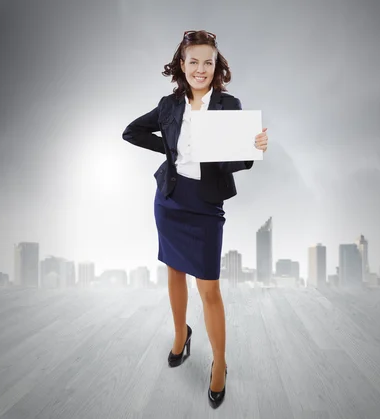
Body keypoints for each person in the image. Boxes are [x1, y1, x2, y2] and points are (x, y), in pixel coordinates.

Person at [121, 29, 269, 409]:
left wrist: (253, 148)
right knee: (173, 272)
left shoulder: (228, 104)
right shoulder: (169, 106)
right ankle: (179, 335)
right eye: (193, 61)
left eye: (208, 61)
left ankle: (220, 364)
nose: (201, 68)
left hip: (204, 205)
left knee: (210, 289)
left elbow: (239, 159)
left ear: (216, 65)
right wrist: (171, 150)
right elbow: (132, 131)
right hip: (170, 200)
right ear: (181, 65)